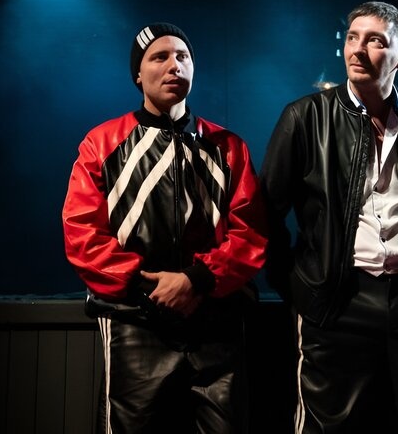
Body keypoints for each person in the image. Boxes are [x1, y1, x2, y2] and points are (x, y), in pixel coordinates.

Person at [259, 1, 398, 434]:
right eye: (352, 37)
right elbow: (265, 214)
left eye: (375, 41)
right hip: (339, 301)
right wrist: (303, 289)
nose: (357, 49)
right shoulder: (304, 116)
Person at [62, 22, 268, 434]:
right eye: (160, 57)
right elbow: (81, 233)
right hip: (135, 322)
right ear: (138, 74)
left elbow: (250, 233)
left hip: (216, 321)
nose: (175, 65)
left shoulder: (228, 147)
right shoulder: (102, 143)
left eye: (183, 56)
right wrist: (148, 289)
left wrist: (196, 280)